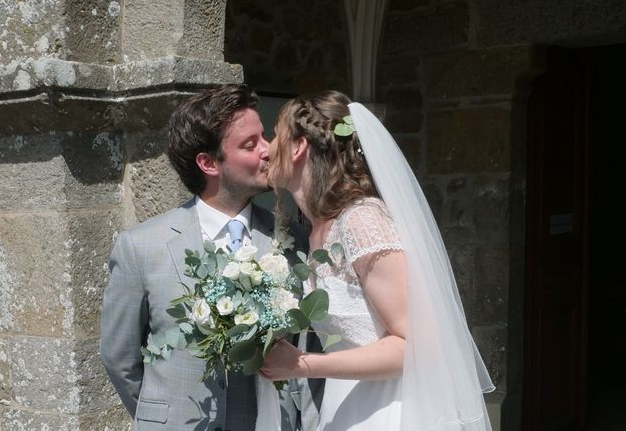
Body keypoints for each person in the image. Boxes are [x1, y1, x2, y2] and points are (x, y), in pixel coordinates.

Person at [260, 91, 495, 430]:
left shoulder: (362, 220)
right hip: (347, 404)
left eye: (275, 136)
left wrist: (303, 364)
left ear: (298, 147)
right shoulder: (316, 230)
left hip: (394, 411)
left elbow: (415, 345)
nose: (267, 148)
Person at [99, 84, 320, 431]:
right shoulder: (141, 247)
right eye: (251, 144)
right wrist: (165, 415)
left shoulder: (294, 241)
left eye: (264, 136)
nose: (268, 150)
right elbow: (119, 358)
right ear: (208, 162)